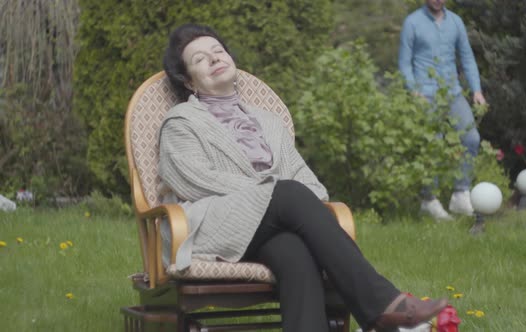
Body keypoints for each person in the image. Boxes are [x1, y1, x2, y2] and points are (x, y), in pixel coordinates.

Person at [158, 23, 448, 332]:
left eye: (218, 51)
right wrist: (270, 192)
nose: (215, 59)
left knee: (293, 252)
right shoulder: (181, 122)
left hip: (270, 226)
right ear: (189, 82)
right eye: (200, 59)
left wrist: (277, 198)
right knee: (287, 194)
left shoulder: (269, 122)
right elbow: (194, 180)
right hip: (211, 225)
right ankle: (382, 306)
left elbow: (310, 185)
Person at [398, 0, 486, 221]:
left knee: (471, 138)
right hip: (425, 94)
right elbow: (404, 63)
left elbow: (467, 58)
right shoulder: (412, 23)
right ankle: (428, 201)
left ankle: (460, 194)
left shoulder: (456, 22)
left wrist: (476, 90)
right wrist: (414, 91)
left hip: (452, 92)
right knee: (432, 142)